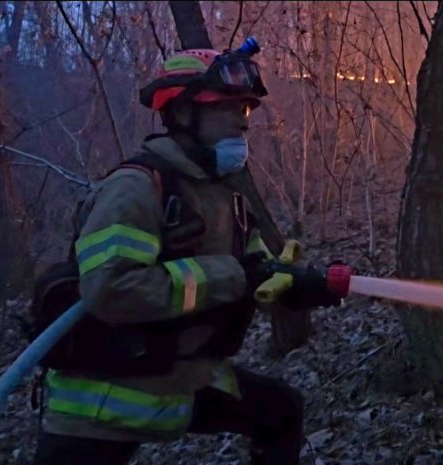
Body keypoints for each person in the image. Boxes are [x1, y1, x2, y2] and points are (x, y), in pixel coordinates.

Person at [34, 43, 338, 465]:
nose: (242, 122)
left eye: (246, 109)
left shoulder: (221, 195)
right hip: (103, 400)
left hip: (177, 377)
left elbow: (253, 272)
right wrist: (234, 277)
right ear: (180, 114)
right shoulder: (135, 189)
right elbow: (112, 289)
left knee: (280, 411)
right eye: (226, 108)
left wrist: (298, 286)